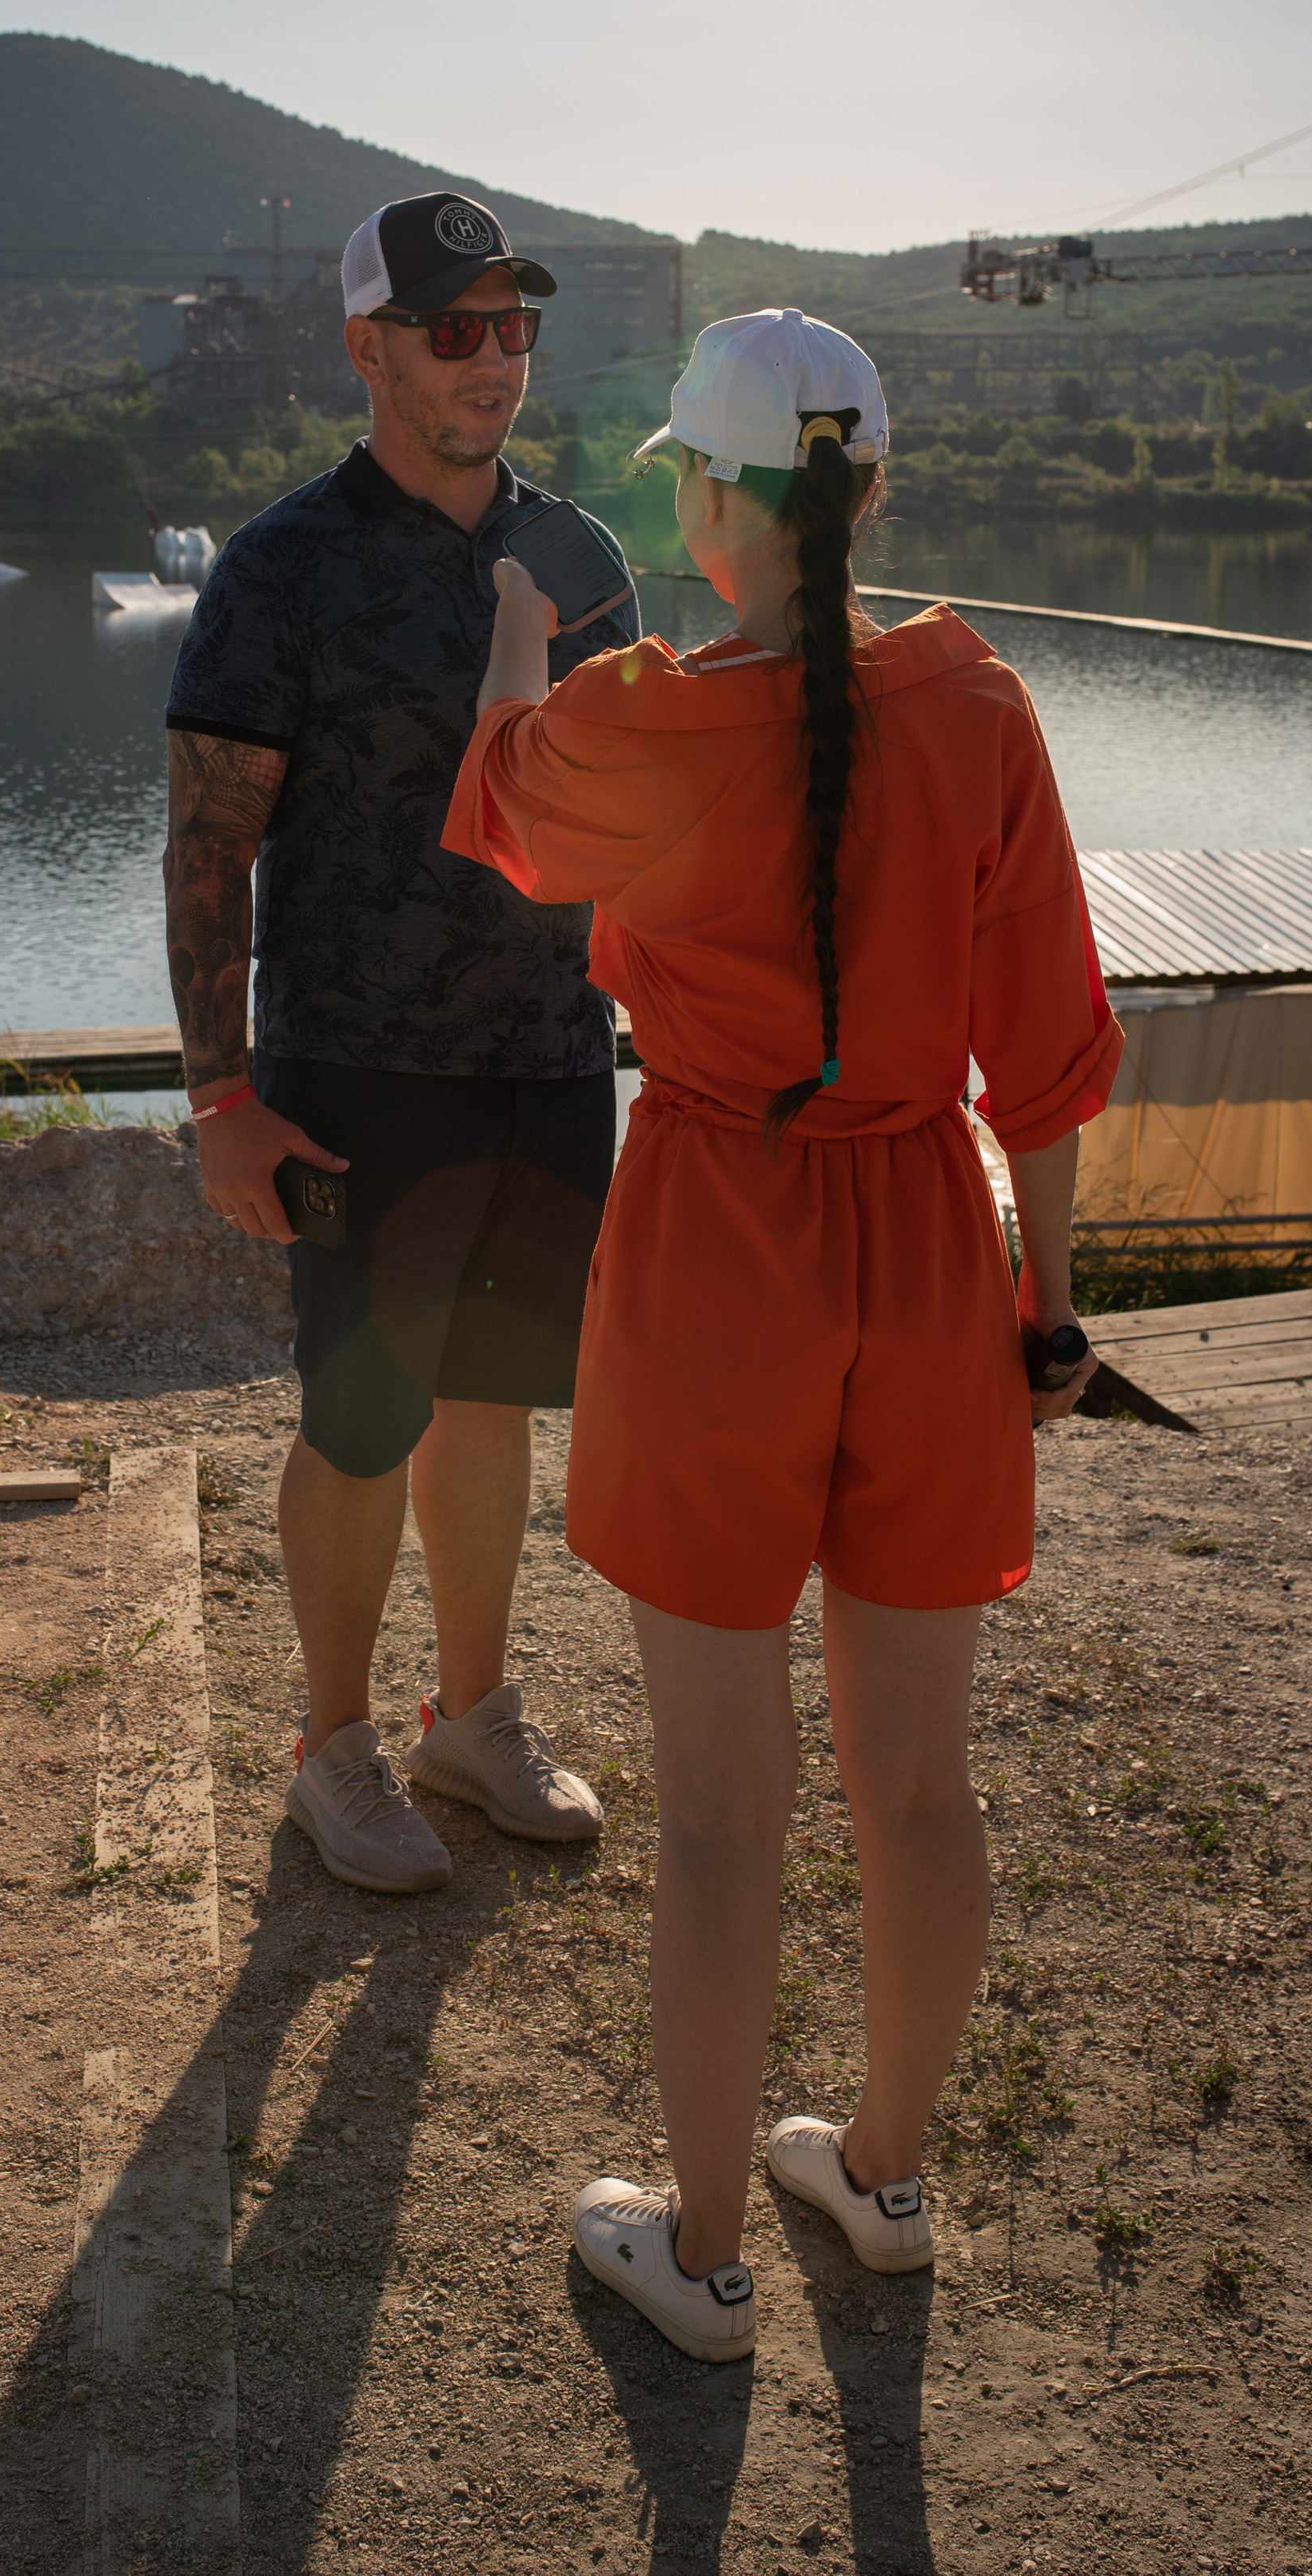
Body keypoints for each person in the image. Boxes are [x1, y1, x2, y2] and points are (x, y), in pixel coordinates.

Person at [441, 308, 1122, 2363]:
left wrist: (508, 625)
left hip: (723, 1240)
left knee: (720, 1805)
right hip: (928, 1239)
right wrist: (1047, 1310)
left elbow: (499, 812)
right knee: (919, 1785)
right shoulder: (979, 702)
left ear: (705, 500)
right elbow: (1055, 1058)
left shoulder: (642, 715)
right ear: (878, 490)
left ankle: (709, 2253)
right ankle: (887, 2179)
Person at [162, 191, 638, 1896]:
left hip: (546, 1054)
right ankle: (330, 1743)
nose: (493, 357)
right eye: (455, 327)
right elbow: (209, 844)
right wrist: (219, 1093)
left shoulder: (584, 559)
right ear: (366, 346)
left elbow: (629, 809)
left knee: (495, 1403)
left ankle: (472, 1714)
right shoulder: (285, 565)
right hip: (353, 1067)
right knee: (361, 1416)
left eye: (514, 325)